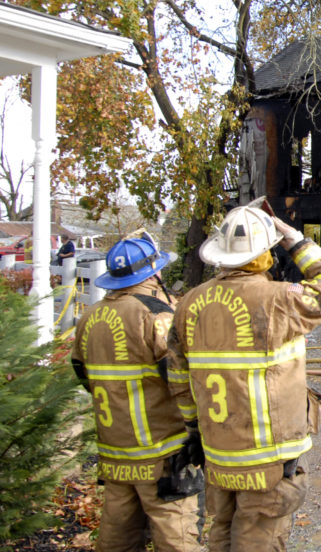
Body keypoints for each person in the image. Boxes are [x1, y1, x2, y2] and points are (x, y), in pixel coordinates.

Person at [167, 204, 321, 552]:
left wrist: (194, 431)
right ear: (265, 252)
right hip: (269, 461)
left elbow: (179, 379)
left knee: (220, 532)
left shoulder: (188, 304)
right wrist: (295, 241)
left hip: (218, 454)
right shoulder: (278, 299)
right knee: (258, 539)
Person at [70, 235, 202, 552]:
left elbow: (82, 374)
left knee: (117, 540)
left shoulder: (89, 317)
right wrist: (197, 429)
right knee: (176, 539)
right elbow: (183, 378)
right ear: (153, 273)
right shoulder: (156, 316)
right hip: (161, 456)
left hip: (115, 455)